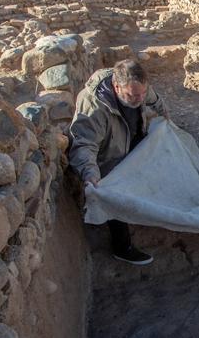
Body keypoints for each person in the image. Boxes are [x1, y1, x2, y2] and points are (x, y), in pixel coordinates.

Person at [69, 60, 169, 265]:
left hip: (130, 138)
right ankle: (123, 247)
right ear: (116, 86)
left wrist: (164, 113)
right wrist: (89, 173)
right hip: (107, 155)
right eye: (132, 95)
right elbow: (84, 143)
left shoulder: (138, 87)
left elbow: (152, 98)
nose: (138, 99)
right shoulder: (94, 106)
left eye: (141, 94)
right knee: (113, 192)